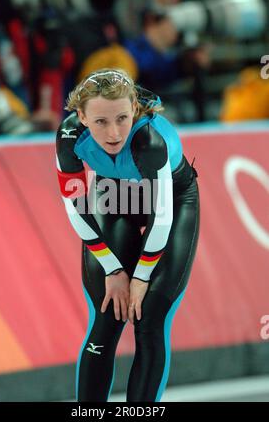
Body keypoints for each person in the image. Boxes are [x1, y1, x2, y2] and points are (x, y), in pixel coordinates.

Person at [55, 68, 200, 402]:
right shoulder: (68, 137)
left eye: (122, 118)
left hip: (173, 200)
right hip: (114, 195)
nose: (114, 132)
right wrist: (114, 270)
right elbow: (76, 209)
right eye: (101, 122)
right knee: (107, 317)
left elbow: (161, 219)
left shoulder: (149, 141)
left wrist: (141, 276)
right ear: (81, 117)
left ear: (134, 108)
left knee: (149, 319)